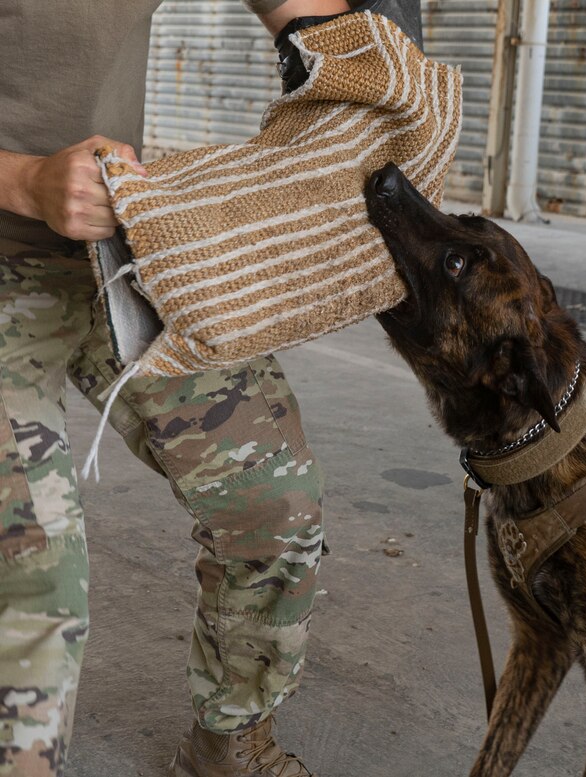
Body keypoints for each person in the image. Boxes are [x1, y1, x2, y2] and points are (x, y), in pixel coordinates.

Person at [0, 1, 399, 775]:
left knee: (273, 500)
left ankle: (229, 737)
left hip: (116, 246)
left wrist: (339, 49)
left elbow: (299, 9)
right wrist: (24, 179)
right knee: (33, 570)